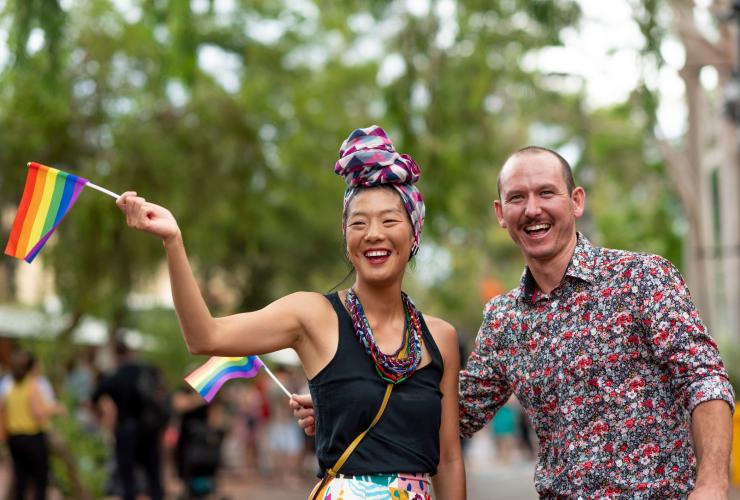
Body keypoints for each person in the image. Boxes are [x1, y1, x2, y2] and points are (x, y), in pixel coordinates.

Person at [296, 145, 735, 498]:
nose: (532, 209)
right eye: (517, 198)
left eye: (546, 193)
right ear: (500, 213)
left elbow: (705, 380)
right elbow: (452, 415)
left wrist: (713, 483)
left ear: (575, 201)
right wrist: (350, 402)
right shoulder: (505, 320)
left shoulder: (642, 278)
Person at [116, 125, 466, 499]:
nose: (373, 234)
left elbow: (447, 460)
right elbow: (205, 336)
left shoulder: (439, 338)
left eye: (390, 220)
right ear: (346, 239)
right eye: (358, 222)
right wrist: (173, 242)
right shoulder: (312, 315)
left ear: (414, 234)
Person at [91, 340, 168, 500]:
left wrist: (102, 417)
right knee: (153, 472)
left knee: (127, 476)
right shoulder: (147, 370)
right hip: (149, 429)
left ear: (115, 355)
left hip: (126, 430)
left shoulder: (116, 376)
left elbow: (94, 397)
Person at [0, 350, 64, 500]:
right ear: (32, 367)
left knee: (20, 479)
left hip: (14, 438)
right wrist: (56, 409)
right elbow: (38, 413)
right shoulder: (32, 386)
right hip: (32, 437)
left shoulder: (10, 387)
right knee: (40, 479)